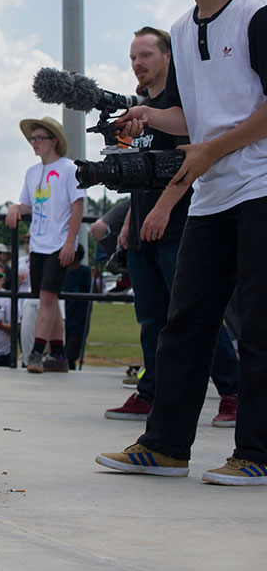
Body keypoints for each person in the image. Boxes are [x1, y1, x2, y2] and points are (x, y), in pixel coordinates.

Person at [98, 0, 267, 484]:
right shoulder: (178, 30)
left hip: (261, 187)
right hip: (214, 193)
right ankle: (165, 446)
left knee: (259, 326)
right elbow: (194, 121)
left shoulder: (257, 16)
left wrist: (211, 150)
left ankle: (257, 455)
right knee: (185, 321)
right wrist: (150, 116)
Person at [104, 27, 240, 426]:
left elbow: (190, 163)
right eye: (132, 57)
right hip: (144, 227)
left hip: (180, 224)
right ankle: (151, 391)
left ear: (168, 56)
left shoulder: (183, 107)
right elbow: (140, 173)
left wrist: (162, 209)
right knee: (151, 318)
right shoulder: (141, 110)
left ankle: (232, 391)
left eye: (145, 54)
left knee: (193, 316)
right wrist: (131, 220)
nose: (138, 64)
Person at [5, 116, 84, 373]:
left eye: (39, 138)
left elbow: (78, 205)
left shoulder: (69, 169)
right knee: (45, 298)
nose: (34, 143)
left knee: (48, 298)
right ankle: (59, 354)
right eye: (32, 138)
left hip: (59, 243)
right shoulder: (31, 172)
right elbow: (29, 203)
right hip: (38, 244)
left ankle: (37, 353)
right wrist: (16, 207)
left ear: (53, 141)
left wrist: (70, 242)